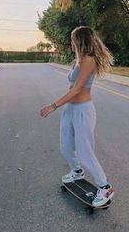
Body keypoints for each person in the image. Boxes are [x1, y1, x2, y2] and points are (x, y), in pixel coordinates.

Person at [40, 26, 114, 207]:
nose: (71, 43)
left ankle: (105, 187)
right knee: (65, 146)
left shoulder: (89, 60)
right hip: (70, 110)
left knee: (84, 151)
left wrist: (53, 105)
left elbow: (77, 89)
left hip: (83, 111)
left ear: (79, 40)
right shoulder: (78, 60)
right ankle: (77, 171)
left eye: (73, 39)